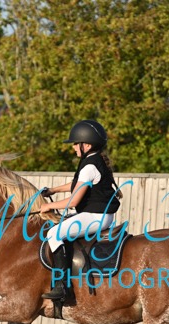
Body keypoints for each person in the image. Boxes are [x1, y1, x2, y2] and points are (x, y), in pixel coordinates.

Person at [39, 119, 122, 301]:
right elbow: (76, 184)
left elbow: (74, 200)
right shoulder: (93, 161)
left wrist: (49, 206)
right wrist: (53, 190)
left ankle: (62, 287)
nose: (74, 147)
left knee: (54, 234)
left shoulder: (90, 166)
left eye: (76, 143)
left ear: (87, 145)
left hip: (96, 216)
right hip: (98, 214)